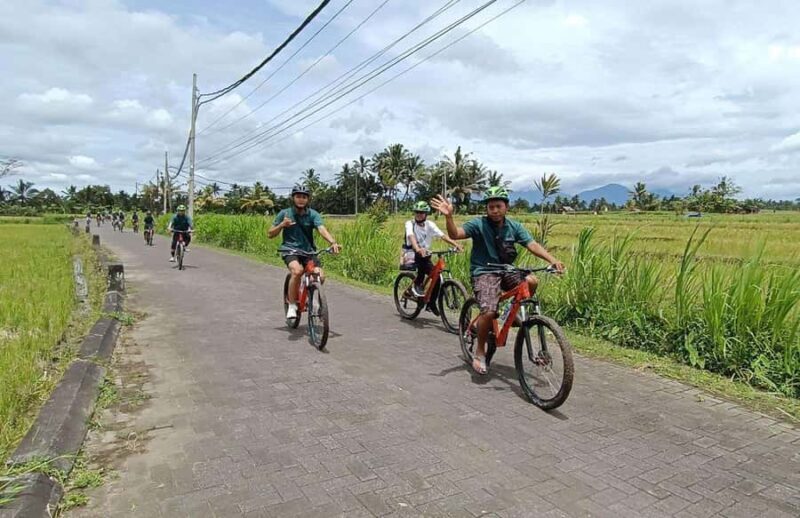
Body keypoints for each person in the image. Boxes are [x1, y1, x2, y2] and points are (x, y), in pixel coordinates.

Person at [431, 187, 565, 375]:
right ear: (486, 208)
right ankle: (479, 352)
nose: (494, 210)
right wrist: (449, 217)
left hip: (506, 270)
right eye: (491, 206)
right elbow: (455, 234)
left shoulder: (514, 226)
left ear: (506, 207)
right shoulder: (478, 224)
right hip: (484, 272)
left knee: (531, 281)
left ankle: (510, 312)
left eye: (498, 206)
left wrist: (553, 260)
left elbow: (531, 244)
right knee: (489, 311)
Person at [267, 185, 341, 320]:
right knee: (297, 271)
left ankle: (313, 300)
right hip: (290, 250)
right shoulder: (285, 214)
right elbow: (270, 234)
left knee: (320, 276)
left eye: (304, 197)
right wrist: (282, 225)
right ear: (293, 198)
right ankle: (292, 305)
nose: (301, 200)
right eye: (298, 196)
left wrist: (333, 242)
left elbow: (321, 229)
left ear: (308, 200)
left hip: (309, 251)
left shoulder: (313, 214)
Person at [405, 201, 463, 315]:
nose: (419, 214)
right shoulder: (410, 223)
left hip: (426, 255)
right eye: (417, 212)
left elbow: (442, 235)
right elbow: (411, 236)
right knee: (422, 269)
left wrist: (455, 244)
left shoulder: (430, 224)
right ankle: (416, 286)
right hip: (413, 253)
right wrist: (417, 249)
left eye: (422, 212)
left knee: (437, 277)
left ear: (426, 214)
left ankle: (431, 303)